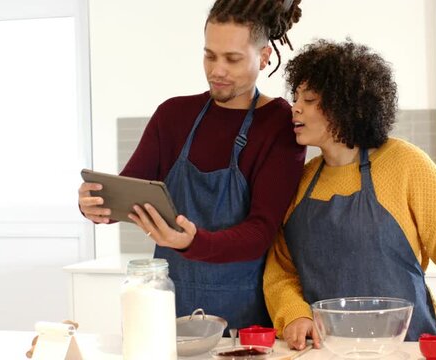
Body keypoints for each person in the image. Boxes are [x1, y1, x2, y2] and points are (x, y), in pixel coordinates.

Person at [263, 39, 436, 352]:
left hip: (411, 348)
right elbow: (280, 270)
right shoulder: (300, 181)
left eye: (309, 98)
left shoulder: (405, 164)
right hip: (328, 351)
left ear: (346, 106)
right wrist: (294, 316)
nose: (295, 107)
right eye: (296, 96)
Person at [78, 0, 306, 331]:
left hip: (246, 327)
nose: (217, 70)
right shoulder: (173, 115)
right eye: (210, 55)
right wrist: (95, 203)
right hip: (168, 318)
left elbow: (261, 232)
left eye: (232, 58)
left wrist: (190, 242)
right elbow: (128, 193)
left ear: (264, 56)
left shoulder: (279, 124)